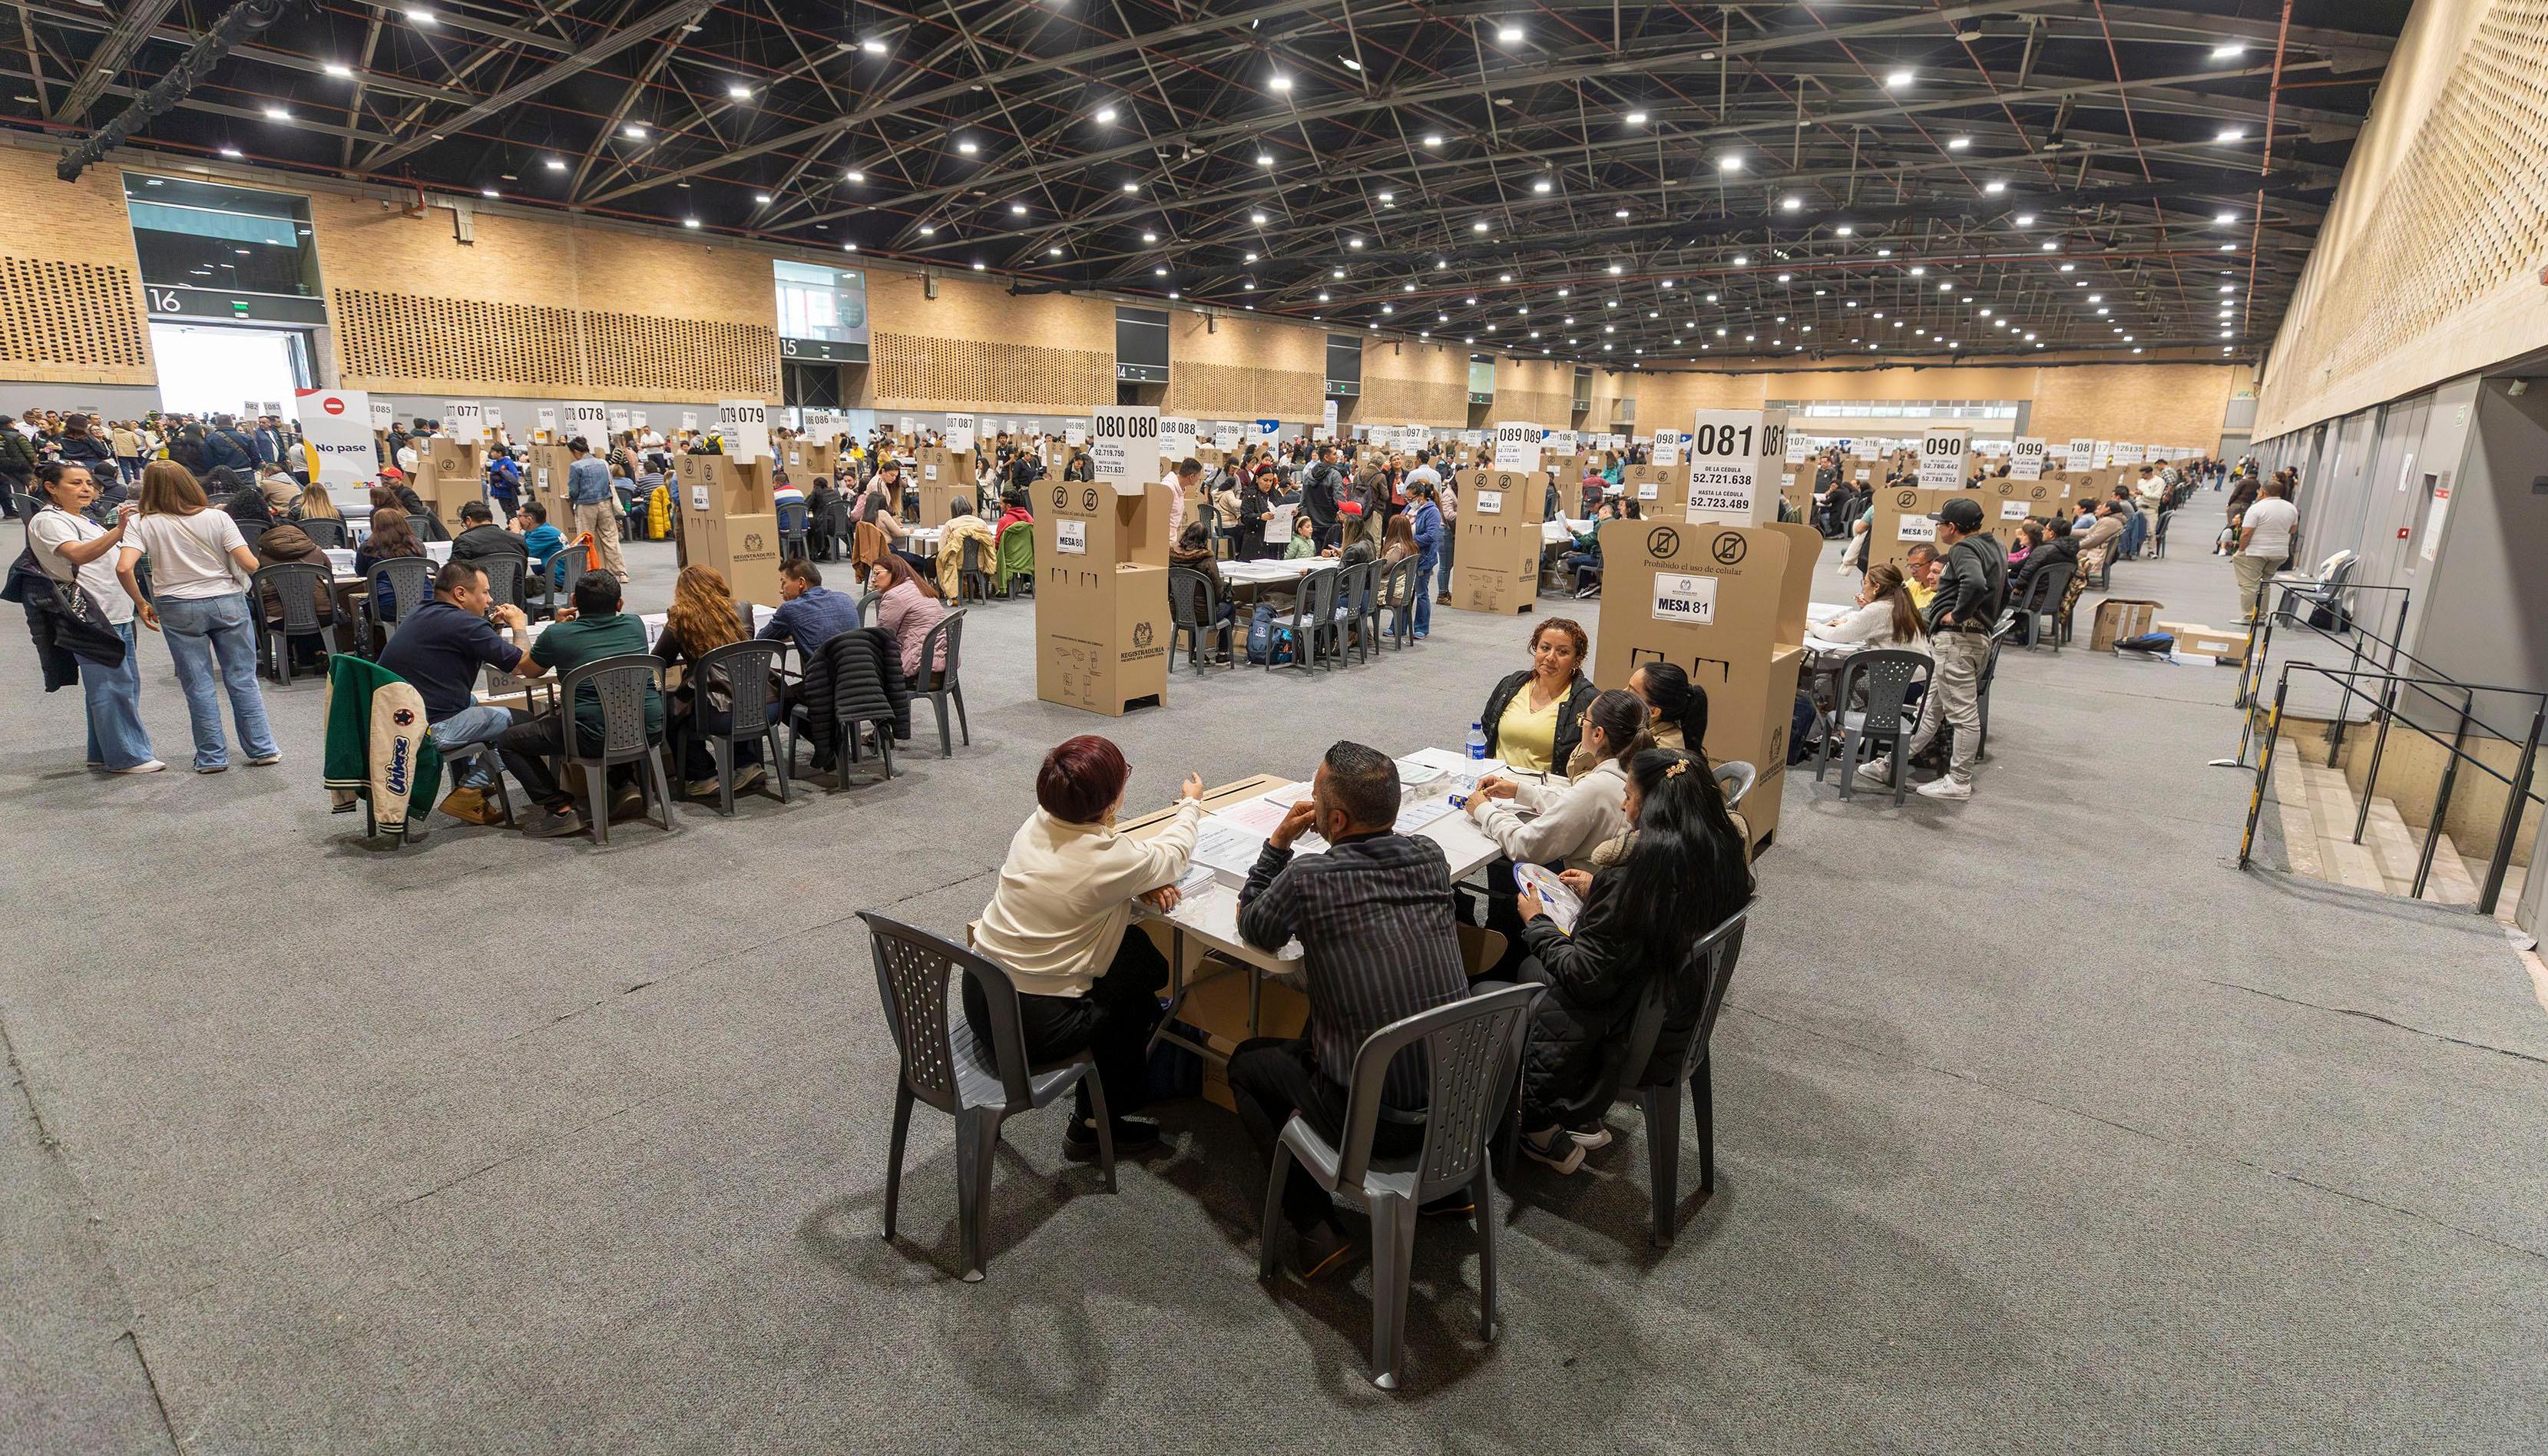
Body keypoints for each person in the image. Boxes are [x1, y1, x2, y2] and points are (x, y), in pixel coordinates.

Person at [1229, 741, 1472, 1274]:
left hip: (1377, 1122)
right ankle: (1445, 1193)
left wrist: (1277, 844)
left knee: (1246, 1064)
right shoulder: (1431, 858)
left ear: (1334, 817)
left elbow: (1257, 927)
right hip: (1458, 1110)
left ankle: (1316, 1227)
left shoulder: (1310, 877)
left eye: (1314, 796)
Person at [1511, 748, 1753, 1168]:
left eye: (1630, 795)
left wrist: (1538, 923)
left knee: (1527, 967)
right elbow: (1653, 916)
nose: (1624, 804)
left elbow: (1584, 977)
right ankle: (1576, 1110)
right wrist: (1601, 890)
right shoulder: (1717, 852)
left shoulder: (1637, 880)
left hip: (1635, 1034)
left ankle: (1543, 1120)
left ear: (1653, 807)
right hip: (1676, 1014)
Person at [971, 736, 1203, 1157]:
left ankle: (1102, 1106)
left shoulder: (1037, 822)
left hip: (982, 995)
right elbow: (1175, 854)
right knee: (1138, 988)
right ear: (1111, 800)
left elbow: (1086, 887)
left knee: (1135, 956)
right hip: (1031, 1027)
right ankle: (1094, 1126)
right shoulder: (1110, 859)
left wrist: (1137, 885)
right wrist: (1190, 803)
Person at [111, 462, 281, 774]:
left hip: (176, 605)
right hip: (226, 601)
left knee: (198, 684)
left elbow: (123, 567)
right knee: (242, 679)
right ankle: (262, 748)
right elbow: (250, 563)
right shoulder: (218, 516)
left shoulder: (142, 523)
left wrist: (140, 601)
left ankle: (212, 757)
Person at [497, 571, 664, 837]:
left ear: (574, 599)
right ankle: (625, 784)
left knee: (509, 741)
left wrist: (549, 626)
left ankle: (560, 810)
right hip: (648, 728)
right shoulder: (635, 625)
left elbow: (527, 670)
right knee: (611, 707)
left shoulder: (558, 635)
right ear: (619, 604)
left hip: (591, 737)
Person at [375, 558, 538, 826]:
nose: (490, 599)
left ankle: (467, 790)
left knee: (473, 701)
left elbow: (468, 645)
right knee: (525, 727)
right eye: (484, 592)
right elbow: (521, 664)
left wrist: (491, 627)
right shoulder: (465, 625)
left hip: (398, 722)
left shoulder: (422, 612)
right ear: (461, 594)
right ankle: (471, 789)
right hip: (430, 728)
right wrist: (518, 624)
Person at [1861, 498, 2004, 802]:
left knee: (1963, 716)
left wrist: (1960, 614)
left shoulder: (1964, 550)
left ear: (1952, 527)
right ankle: (1891, 765)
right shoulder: (1995, 547)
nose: (1938, 528)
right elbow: (2002, 589)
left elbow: (1976, 584)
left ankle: (1959, 781)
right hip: (1969, 640)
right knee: (1931, 712)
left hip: (1957, 640)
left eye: (1940, 524)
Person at [25, 463, 159, 772]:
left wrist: (139, 601)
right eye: (76, 483)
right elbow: (80, 555)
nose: (86, 488)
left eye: (88, 483)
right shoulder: (49, 521)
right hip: (90, 613)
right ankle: (127, 756)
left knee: (118, 684)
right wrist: (118, 531)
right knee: (112, 687)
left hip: (115, 610)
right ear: (52, 487)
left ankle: (102, 751)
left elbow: (117, 564)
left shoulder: (83, 519)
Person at [652, 564, 767, 796]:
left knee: (669, 708)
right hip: (758, 699)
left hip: (715, 706)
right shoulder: (742, 608)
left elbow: (658, 660)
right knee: (732, 691)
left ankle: (702, 775)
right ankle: (746, 763)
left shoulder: (681, 619)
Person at [1477, 617, 1597, 774]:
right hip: (1495, 782)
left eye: (1563, 652)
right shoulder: (1511, 685)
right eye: (1545, 648)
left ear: (1577, 660)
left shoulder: (1588, 701)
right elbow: (1486, 729)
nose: (1550, 657)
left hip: (1543, 791)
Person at [1808, 563, 1930, 658]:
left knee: (1841, 673)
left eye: (1865, 583)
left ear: (1876, 587)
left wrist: (1812, 625)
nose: (1863, 587)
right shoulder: (1902, 604)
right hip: (1918, 678)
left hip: (1896, 682)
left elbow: (1836, 635)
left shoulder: (1878, 609)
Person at [867, 551, 949, 681]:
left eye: (877, 573)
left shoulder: (894, 596)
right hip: (943, 664)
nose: (873, 579)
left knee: (857, 668)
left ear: (893, 572)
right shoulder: (920, 587)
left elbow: (882, 636)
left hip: (919, 670)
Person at [758, 555, 863, 656]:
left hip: (823, 673)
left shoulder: (790, 609)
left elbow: (761, 640)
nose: (781, 590)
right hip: (863, 669)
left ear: (801, 583)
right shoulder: (845, 598)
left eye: (784, 583)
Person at [2234, 478, 2299, 624]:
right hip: (2279, 552)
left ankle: (2249, 616)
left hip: (2256, 551)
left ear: (2263, 492)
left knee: (2250, 584)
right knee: (2265, 583)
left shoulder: (2257, 508)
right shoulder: (2291, 508)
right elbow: (2292, 530)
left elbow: (2246, 533)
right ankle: (2261, 616)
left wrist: (2241, 549)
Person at [564, 438, 627, 581]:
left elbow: (573, 490)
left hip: (586, 506)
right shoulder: (603, 463)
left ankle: (588, 573)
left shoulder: (576, 466)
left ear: (575, 451)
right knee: (610, 539)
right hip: (605, 504)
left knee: (586, 540)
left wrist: (571, 497)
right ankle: (620, 573)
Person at [1626, 660, 1712, 753]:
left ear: (1654, 711)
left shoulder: (1658, 753)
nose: (1623, 692)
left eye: (1631, 692)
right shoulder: (1642, 730)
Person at [1406, 479, 1444, 639]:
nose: (1408, 502)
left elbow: (1430, 536)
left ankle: (1421, 628)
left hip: (1424, 558)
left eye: (1411, 498)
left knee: (1421, 593)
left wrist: (1409, 542)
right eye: (1406, 499)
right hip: (1407, 557)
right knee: (1404, 593)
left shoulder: (1432, 511)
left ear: (1421, 496)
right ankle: (1398, 626)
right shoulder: (1409, 508)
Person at [449, 498, 528, 573]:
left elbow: (455, 574)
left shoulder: (464, 541)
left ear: (468, 520)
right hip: (513, 587)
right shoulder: (518, 539)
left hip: (479, 587)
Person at [515, 501, 564, 577]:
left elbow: (520, 552)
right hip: (554, 576)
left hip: (555, 580)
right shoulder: (541, 530)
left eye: (520, 516)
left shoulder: (543, 533)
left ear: (529, 519)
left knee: (514, 584)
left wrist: (516, 533)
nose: (517, 519)